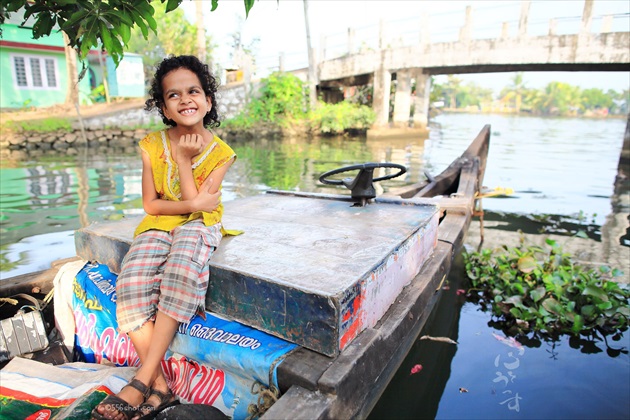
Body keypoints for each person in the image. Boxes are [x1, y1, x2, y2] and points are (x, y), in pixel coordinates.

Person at [92, 55, 236, 420]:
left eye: (194, 91)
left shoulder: (221, 154)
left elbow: (201, 211)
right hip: (159, 222)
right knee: (132, 281)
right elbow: (152, 205)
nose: (185, 99)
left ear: (208, 100)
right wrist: (186, 186)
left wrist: (185, 159)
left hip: (200, 224)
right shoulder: (151, 145)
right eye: (174, 95)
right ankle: (161, 387)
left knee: (182, 267)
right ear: (164, 107)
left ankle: (141, 382)